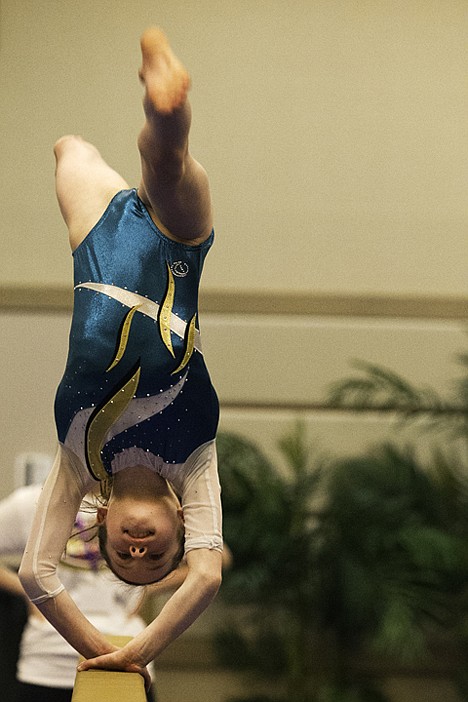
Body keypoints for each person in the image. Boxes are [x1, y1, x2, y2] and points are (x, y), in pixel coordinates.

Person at [19, 27, 223, 687]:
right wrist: (137, 651)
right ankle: (162, 95)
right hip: (176, 243)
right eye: (155, 553)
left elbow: (36, 575)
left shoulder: (80, 465)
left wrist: (98, 644)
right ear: (176, 523)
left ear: (99, 526)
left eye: (126, 556)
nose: (139, 553)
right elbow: (208, 573)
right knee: (165, 153)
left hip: (98, 246)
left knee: (69, 148)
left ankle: (109, 139)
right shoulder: (192, 462)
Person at [0, 481, 156, 702]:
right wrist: (28, 591)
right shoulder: (33, 501)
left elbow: (210, 564)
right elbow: (30, 575)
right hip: (48, 661)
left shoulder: (146, 506)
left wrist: (147, 586)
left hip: (127, 654)